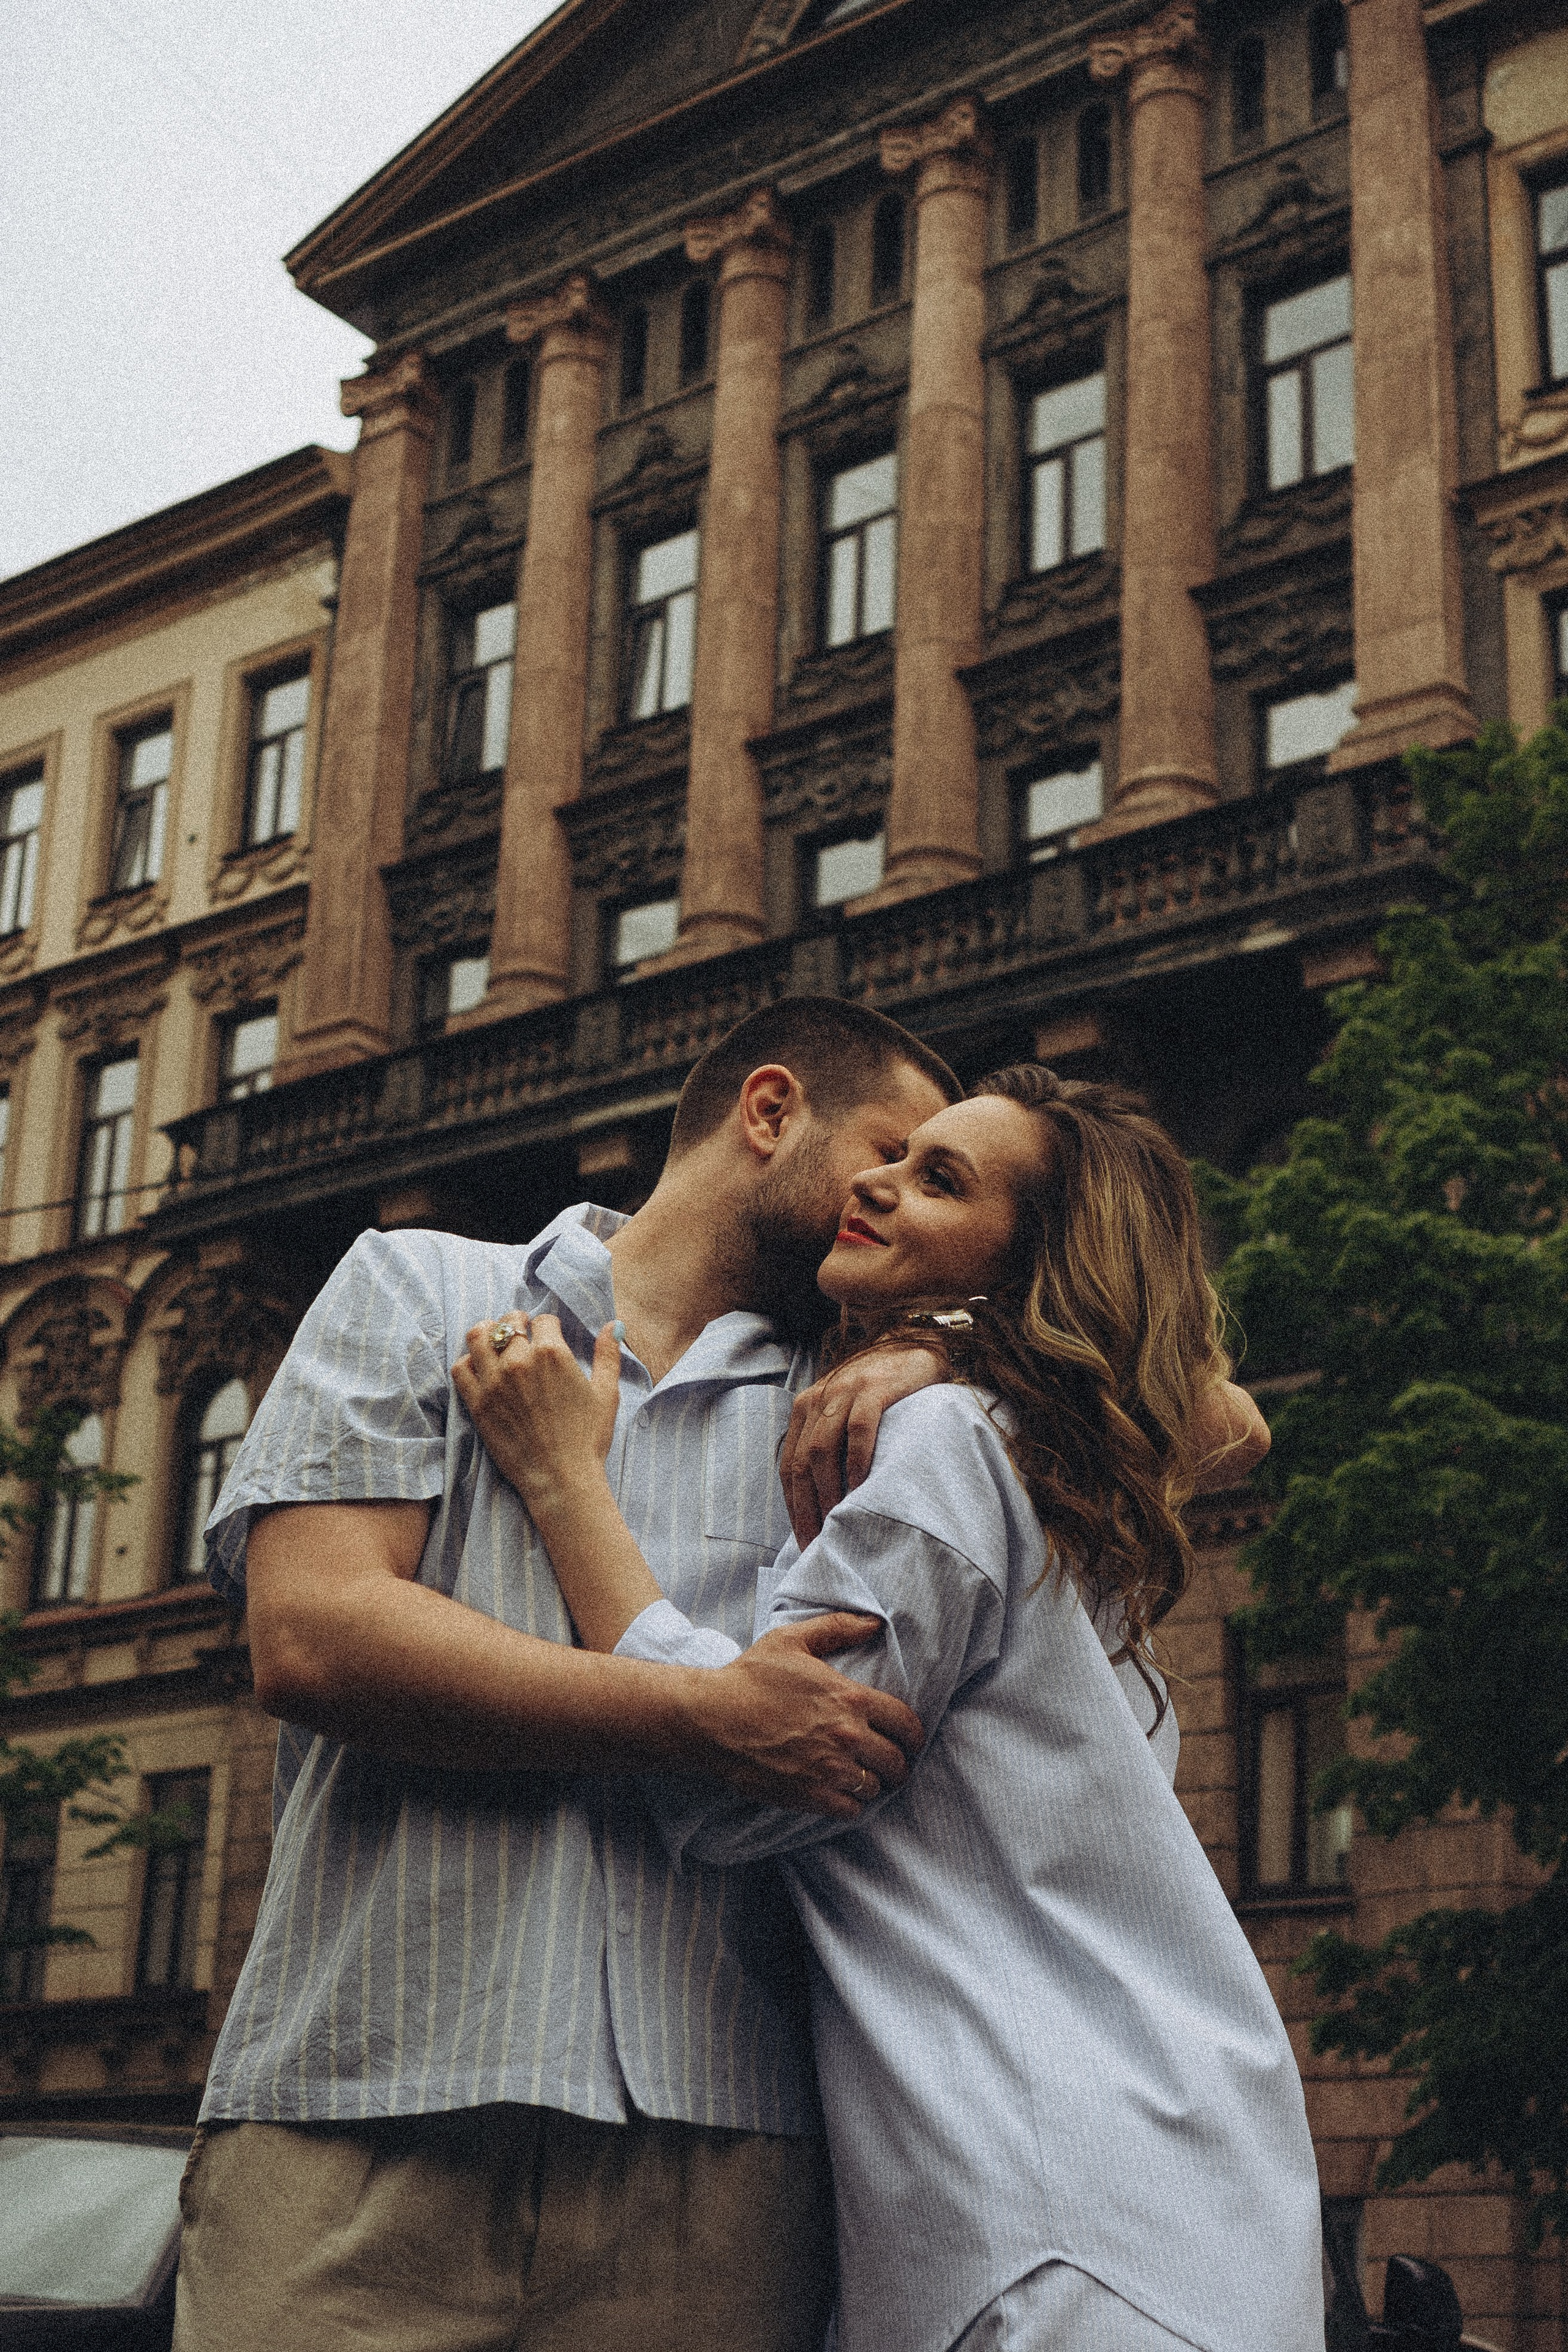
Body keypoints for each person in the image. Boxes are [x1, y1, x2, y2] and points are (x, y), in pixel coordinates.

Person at [454, 1065, 1323, 2352]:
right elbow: (1214, 1416)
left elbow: (745, 1773)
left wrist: (564, 1486)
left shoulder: (955, 1441)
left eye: (939, 1179)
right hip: (1157, 2195)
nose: (876, 1178)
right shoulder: (1052, 1459)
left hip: (1051, 2218)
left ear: (1028, 1262)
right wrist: (959, 1338)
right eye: (901, 1154)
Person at [172, 997, 960, 2352]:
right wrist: (707, 1716)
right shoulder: (418, 1287)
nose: (896, 1204)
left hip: (722, 2158)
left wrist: (957, 1347)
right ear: (768, 1114)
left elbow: (1205, 1416)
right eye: (886, 1156)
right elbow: (315, 1638)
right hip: (355, 2120)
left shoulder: (870, 1400)